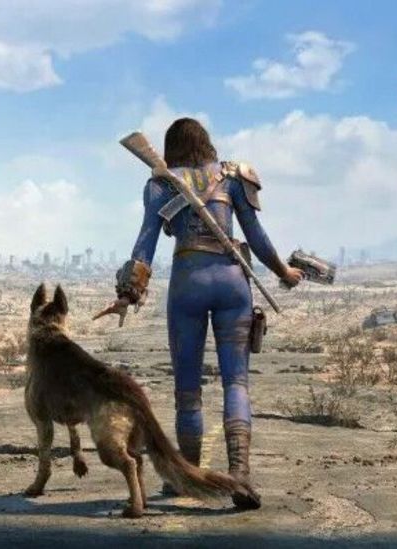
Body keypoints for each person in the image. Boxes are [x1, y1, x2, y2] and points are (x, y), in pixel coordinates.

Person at [96, 118, 303, 510]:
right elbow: (256, 235)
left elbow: (145, 244)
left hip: (187, 283)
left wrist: (127, 294)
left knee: (188, 391)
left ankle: (188, 477)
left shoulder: (161, 183)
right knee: (236, 383)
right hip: (232, 283)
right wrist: (284, 271)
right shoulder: (234, 177)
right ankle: (240, 475)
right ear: (206, 143)